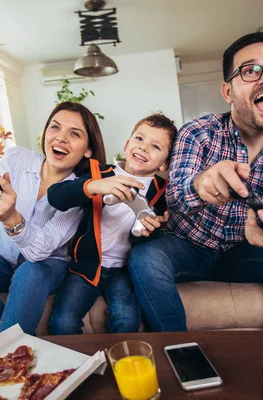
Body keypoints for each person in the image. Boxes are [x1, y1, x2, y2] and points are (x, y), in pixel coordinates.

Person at [128, 32, 263, 332]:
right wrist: (201, 185)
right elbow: (176, 197)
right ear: (227, 91)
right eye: (250, 71)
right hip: (187, 246)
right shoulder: (197, 132)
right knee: (145, 256)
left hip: (246, 252)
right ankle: (182, 355)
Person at [0, 101, 106, 337]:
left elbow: (39, 252)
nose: (60, 138)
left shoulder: (82, 190)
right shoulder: (17, 159)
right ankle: (17, 349)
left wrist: (11, 218)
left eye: (75, 133)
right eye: (55, 127)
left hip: (46, 266)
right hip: (0, 259)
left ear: (88, 149)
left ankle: (8, 356)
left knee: (31, 270)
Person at [47, 113, 178, 335]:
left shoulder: (165, 194)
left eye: (155, 146)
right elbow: (56, 196)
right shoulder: (100, 174)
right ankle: (81, 368)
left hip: (125, 271)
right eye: (139, 139)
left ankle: (121, 365)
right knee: (62, 323)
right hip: (86, 266)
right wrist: (93, 187)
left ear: (165, 162)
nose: (143, 148)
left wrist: (153, 231)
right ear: (127, 145)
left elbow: (158, 245)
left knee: (127, 321)